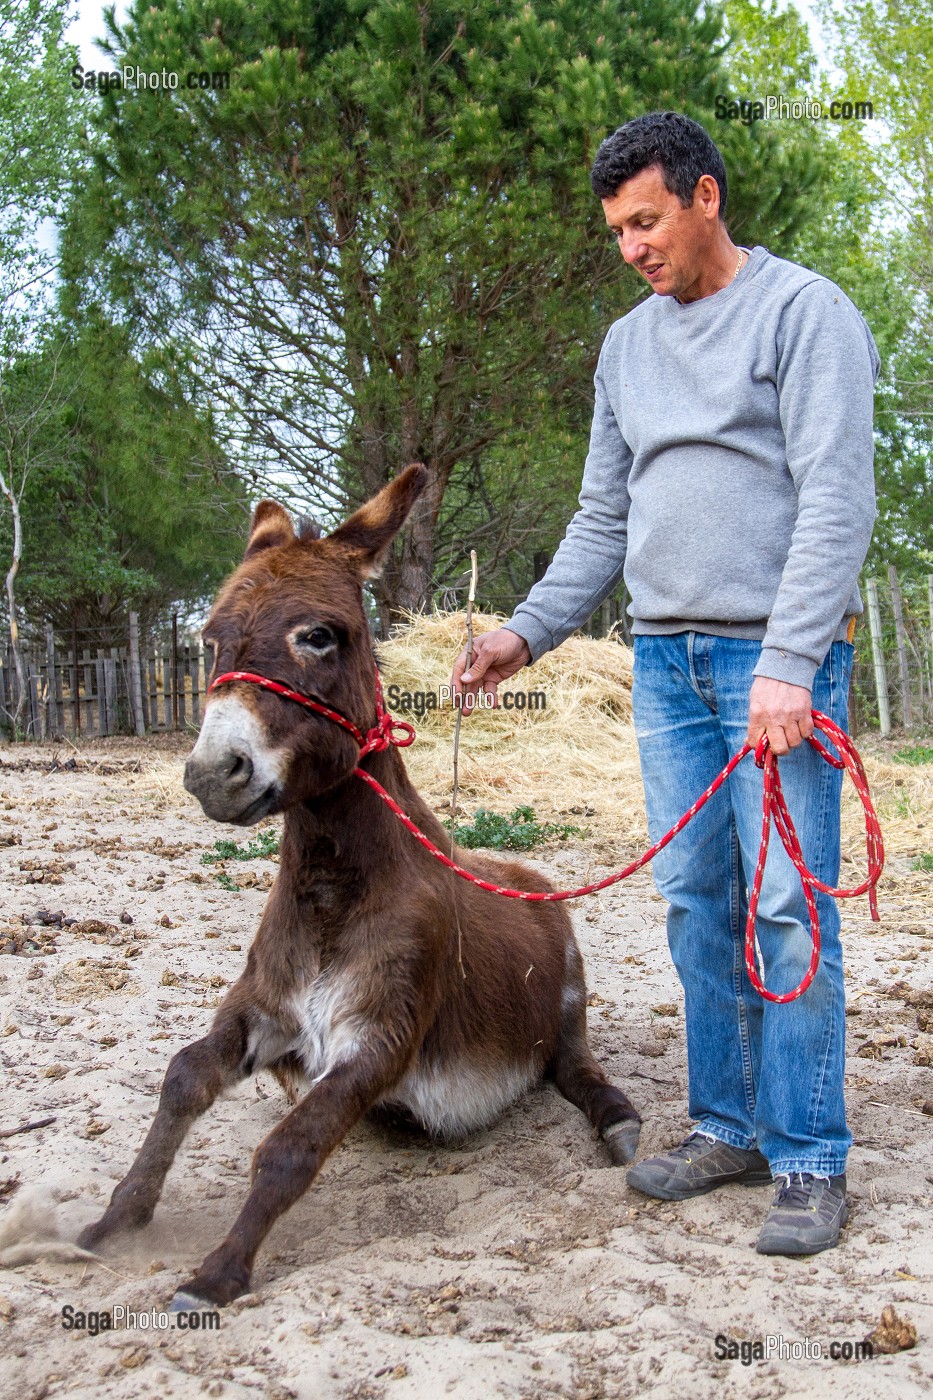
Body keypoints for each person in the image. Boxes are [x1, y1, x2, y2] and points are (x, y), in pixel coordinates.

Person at [451, 111, 879, 1257]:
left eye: (646, 220)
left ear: (704, 197)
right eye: (616, 231)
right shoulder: (625, 349)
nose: (633, 246)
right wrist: (524, 635)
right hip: (665, 663)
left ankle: (807, 1156)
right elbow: (604, 517)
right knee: (698, 903)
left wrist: (789, 666)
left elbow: (836, 501)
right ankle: (727, 1124)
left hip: (774, 664)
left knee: (786, 906)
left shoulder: (804, 314)